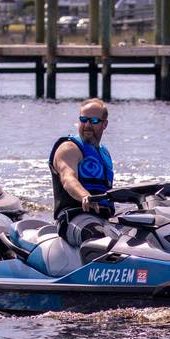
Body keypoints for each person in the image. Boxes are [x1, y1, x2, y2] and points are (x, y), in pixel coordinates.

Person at [49, 98, 117, 246]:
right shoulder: (69, 148)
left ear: (104, 124)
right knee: (99, 239)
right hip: (74, 218)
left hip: (103, 218)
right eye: (83, 119)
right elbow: (68, 179)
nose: (87, 125)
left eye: (93, 121)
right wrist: (85, 196)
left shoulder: (104, 154)